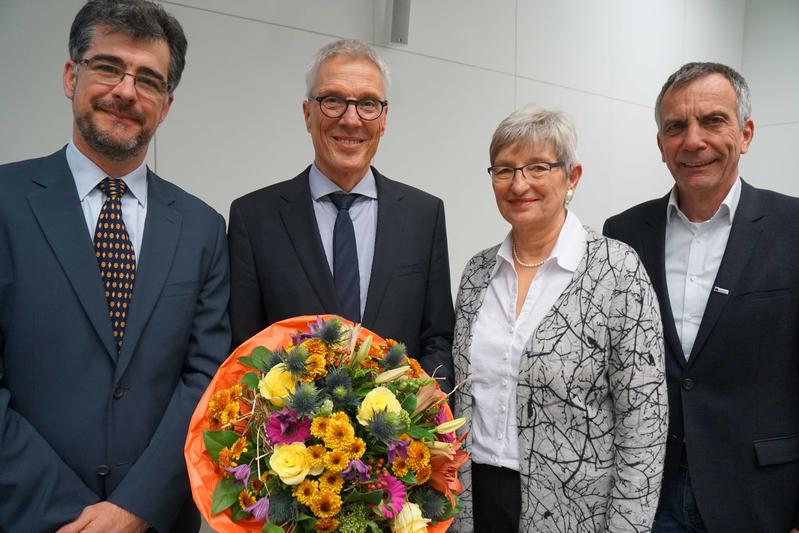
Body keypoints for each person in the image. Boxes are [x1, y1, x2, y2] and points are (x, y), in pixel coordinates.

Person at [0, 1, 230, 531]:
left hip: (155, 519)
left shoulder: (201, 227)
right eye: (108, 67)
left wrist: (135, 507)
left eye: (148, 79)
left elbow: (208, 381)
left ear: (166, 105)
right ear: (70, 76)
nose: (126, 91)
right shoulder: (7, 203)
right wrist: (70, 512)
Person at [452, 105, 668, 532]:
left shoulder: (617, 271)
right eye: (504, 170)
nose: (519, 184)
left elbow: (644, 425)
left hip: (573, 511)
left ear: (572, 177)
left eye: (537, 167)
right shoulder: (478, 273)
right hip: (474, 501)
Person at [604, 62, 799, 533]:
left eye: (713, 120)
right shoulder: (623, 234)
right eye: (676, 127)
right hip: (649, 494)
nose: (693, 141)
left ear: (746, 132)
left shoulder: (792, 229)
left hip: (762, 499)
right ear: (661, 146)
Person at [228, 39, 455, 390]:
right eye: (333, 100)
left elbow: (437, 338)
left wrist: (422, 415)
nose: (351, 120)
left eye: (368, 104)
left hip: (398, 436)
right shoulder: (253, 218)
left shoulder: (423, 216)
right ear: (307, 113)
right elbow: (243, 351)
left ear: (384, 119)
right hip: (291, 440)